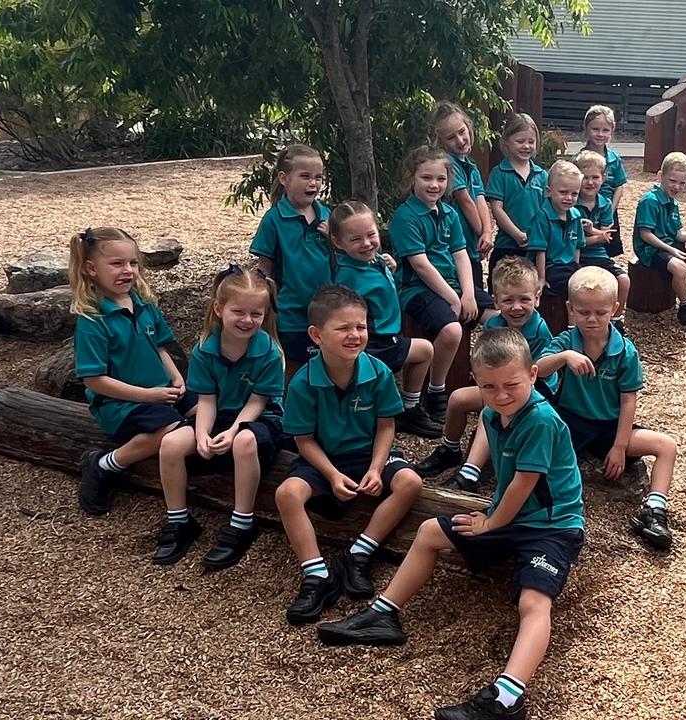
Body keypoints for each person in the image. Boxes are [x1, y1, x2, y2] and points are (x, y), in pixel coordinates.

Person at [318, 328, 585, 720]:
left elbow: (521, 485)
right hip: (511, 517)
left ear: (533, 374)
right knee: (429, 532)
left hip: (553, 525)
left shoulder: (541, 420)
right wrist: (492, 520)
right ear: (476, 382)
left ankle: (507, 699)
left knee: (533, 602)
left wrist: (490, 524)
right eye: (489, 387)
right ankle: (382, 614)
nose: (501, 395)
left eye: (511, 384)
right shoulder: (494, 413)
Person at [273, 286, 424, 625]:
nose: (355, 335)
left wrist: (375, 468)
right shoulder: (302, 382)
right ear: (317, 335)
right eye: (343, 328)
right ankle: (316, 574)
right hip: (324, 458)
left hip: (369, 454)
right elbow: (304, 440)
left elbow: (386, 426)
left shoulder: (379, 372)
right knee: (287, 493)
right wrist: (331, 475)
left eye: (361, 326)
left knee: (410, 482)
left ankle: (359, 553)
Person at [536, 267, 680, 551]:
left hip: (609, 426)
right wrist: (565, 357)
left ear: (615, 309)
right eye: (584, 312)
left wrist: (619, 445)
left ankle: (654, 509)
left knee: (667, 446)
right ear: (571, 309)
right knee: (541, 452)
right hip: (570, 421)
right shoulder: (566, 341)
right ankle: (542, 511)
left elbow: (629, 400)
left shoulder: (625, 351)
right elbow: (537, 370)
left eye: (600, 313)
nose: (592, 319)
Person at [154, 266, 285, 570]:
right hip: (220, 412)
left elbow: (257, 402)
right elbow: (207, 400)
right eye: (238, 311)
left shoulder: (269, 352)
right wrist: (201, 434)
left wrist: (235, 430)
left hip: (262, 417)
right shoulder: (205, 349)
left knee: (244, 442)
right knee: (171, 444)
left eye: (257, 313)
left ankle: (242, 522)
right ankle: (179, 519)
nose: (247, 320)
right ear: (219, 308)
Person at [71, 227, 194, 516]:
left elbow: (160, 347)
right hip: (120, 405)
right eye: (116, 264)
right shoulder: (93, 319)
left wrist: (176, 377)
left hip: (160, 393)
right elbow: (94, 379)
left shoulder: (144, 305)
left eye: (133, 263)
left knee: (208, 411)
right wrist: (147, 396)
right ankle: (104, 465)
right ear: (91, 269)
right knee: (170, 432)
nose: (127, 270)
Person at [415, 258, 555, 490]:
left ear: (537, 298)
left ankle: (470, 473)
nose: (516, 307)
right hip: (499, 385)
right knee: (457, 399)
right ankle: (450, 449)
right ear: (496, 300)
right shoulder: (493, 325)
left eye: (524, 299)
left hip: (533, 391)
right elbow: (482, 362)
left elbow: (536, 374)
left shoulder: (539, 330)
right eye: (508, 300)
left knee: (491, 410)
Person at [391, 145, 497, 420]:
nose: (434, 184)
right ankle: (436, 390)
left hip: (453, 283)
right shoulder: (405, 217)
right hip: (417, 289)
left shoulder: (449, 214)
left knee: (500, 318)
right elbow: (420, 265)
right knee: (452, 331)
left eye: (440, 179)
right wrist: (453, 298)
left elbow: (460, 254)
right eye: (426, 178)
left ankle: (491, 380)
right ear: (412, 177)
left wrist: (469, 293)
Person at [329, 200, 442, 437]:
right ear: (338, 243)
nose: (366, 243)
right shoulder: (348, 275)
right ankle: (402, 412)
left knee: (424, 351)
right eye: (355, 239)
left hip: (390, 335)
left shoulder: (374, 260)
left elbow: (378, 280)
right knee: (421, 352)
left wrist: (386, 265)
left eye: (371, 234)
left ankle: (408, 408)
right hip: (374, 343)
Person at [248, 144, 332, 375]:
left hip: (326, 310)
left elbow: (345, 255)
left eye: (318, 177)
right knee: (293, 369)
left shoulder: (327, 215)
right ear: (284, 178)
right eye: (305, 176)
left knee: (326, 367)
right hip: (290, 314)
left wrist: (334, 238)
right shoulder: (273, 220)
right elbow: (264, 269)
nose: (313, 183)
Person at [633, 152, 686, 327]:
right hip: (650, 249)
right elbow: (645, 234)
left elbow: (677, 233)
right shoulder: (650, 201)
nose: (677, 186)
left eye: (682, 183)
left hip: (668, 243)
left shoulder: (673, 201)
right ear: (661, 176)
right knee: (679, 267)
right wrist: (671, 250)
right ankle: (685, 306)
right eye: (672, 181)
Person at [433, 101, 494, 289]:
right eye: (451, 137)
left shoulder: (471, 165)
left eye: (462, 132)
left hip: (472, 244)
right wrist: (481, 234)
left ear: (469, 127)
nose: (460, 140)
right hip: (456, 245)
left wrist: (487, 232)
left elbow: (480, 199)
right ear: (441, 142)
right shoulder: (448, 163)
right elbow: (466, 201)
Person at [486, 113, 548, 289]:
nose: (526, 146)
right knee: (503, 289)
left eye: (531, 141)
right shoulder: (499, 173)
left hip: (536, 246)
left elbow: (546, 209)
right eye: (520, 141)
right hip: (507, 244)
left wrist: (539, 236)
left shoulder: (542, 176)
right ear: (507, 142)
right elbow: (497, 210)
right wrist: (517, 235)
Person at [574, 149, 630, 332]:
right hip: (576, 257)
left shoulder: (605, 204)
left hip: (598, 255)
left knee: (623, 280)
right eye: (585, 177)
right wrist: (597, 236)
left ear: (603, 177)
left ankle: (616, 319)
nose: (590, 182)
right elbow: (573, 241)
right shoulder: (571, 203)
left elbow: (607, 236)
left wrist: (591, 232)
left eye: (595, 177)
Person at [526, 159, 586, 298]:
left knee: (586, 282)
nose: (569, 198)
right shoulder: (542, 217)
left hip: (569, 264)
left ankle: (580, 317)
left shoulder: (575, 216)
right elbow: (540, 251)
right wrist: (541, 278)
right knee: (568, 286)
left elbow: (577, 246)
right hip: (549, 265)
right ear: (549, 191)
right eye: (563, 192)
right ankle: (571, 319)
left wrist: (576, 269)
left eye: (574, 194)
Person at [577, 104, 627, 257]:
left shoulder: (614, 159)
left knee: (607, 243)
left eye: (605, 130)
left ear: (612, 131)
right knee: (583, 242)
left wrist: (611, 210)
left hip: (608, 208)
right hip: (584, 207)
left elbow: (619, 186)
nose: (600, 134)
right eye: (595, 129)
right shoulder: (579, 159)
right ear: (586, 129)